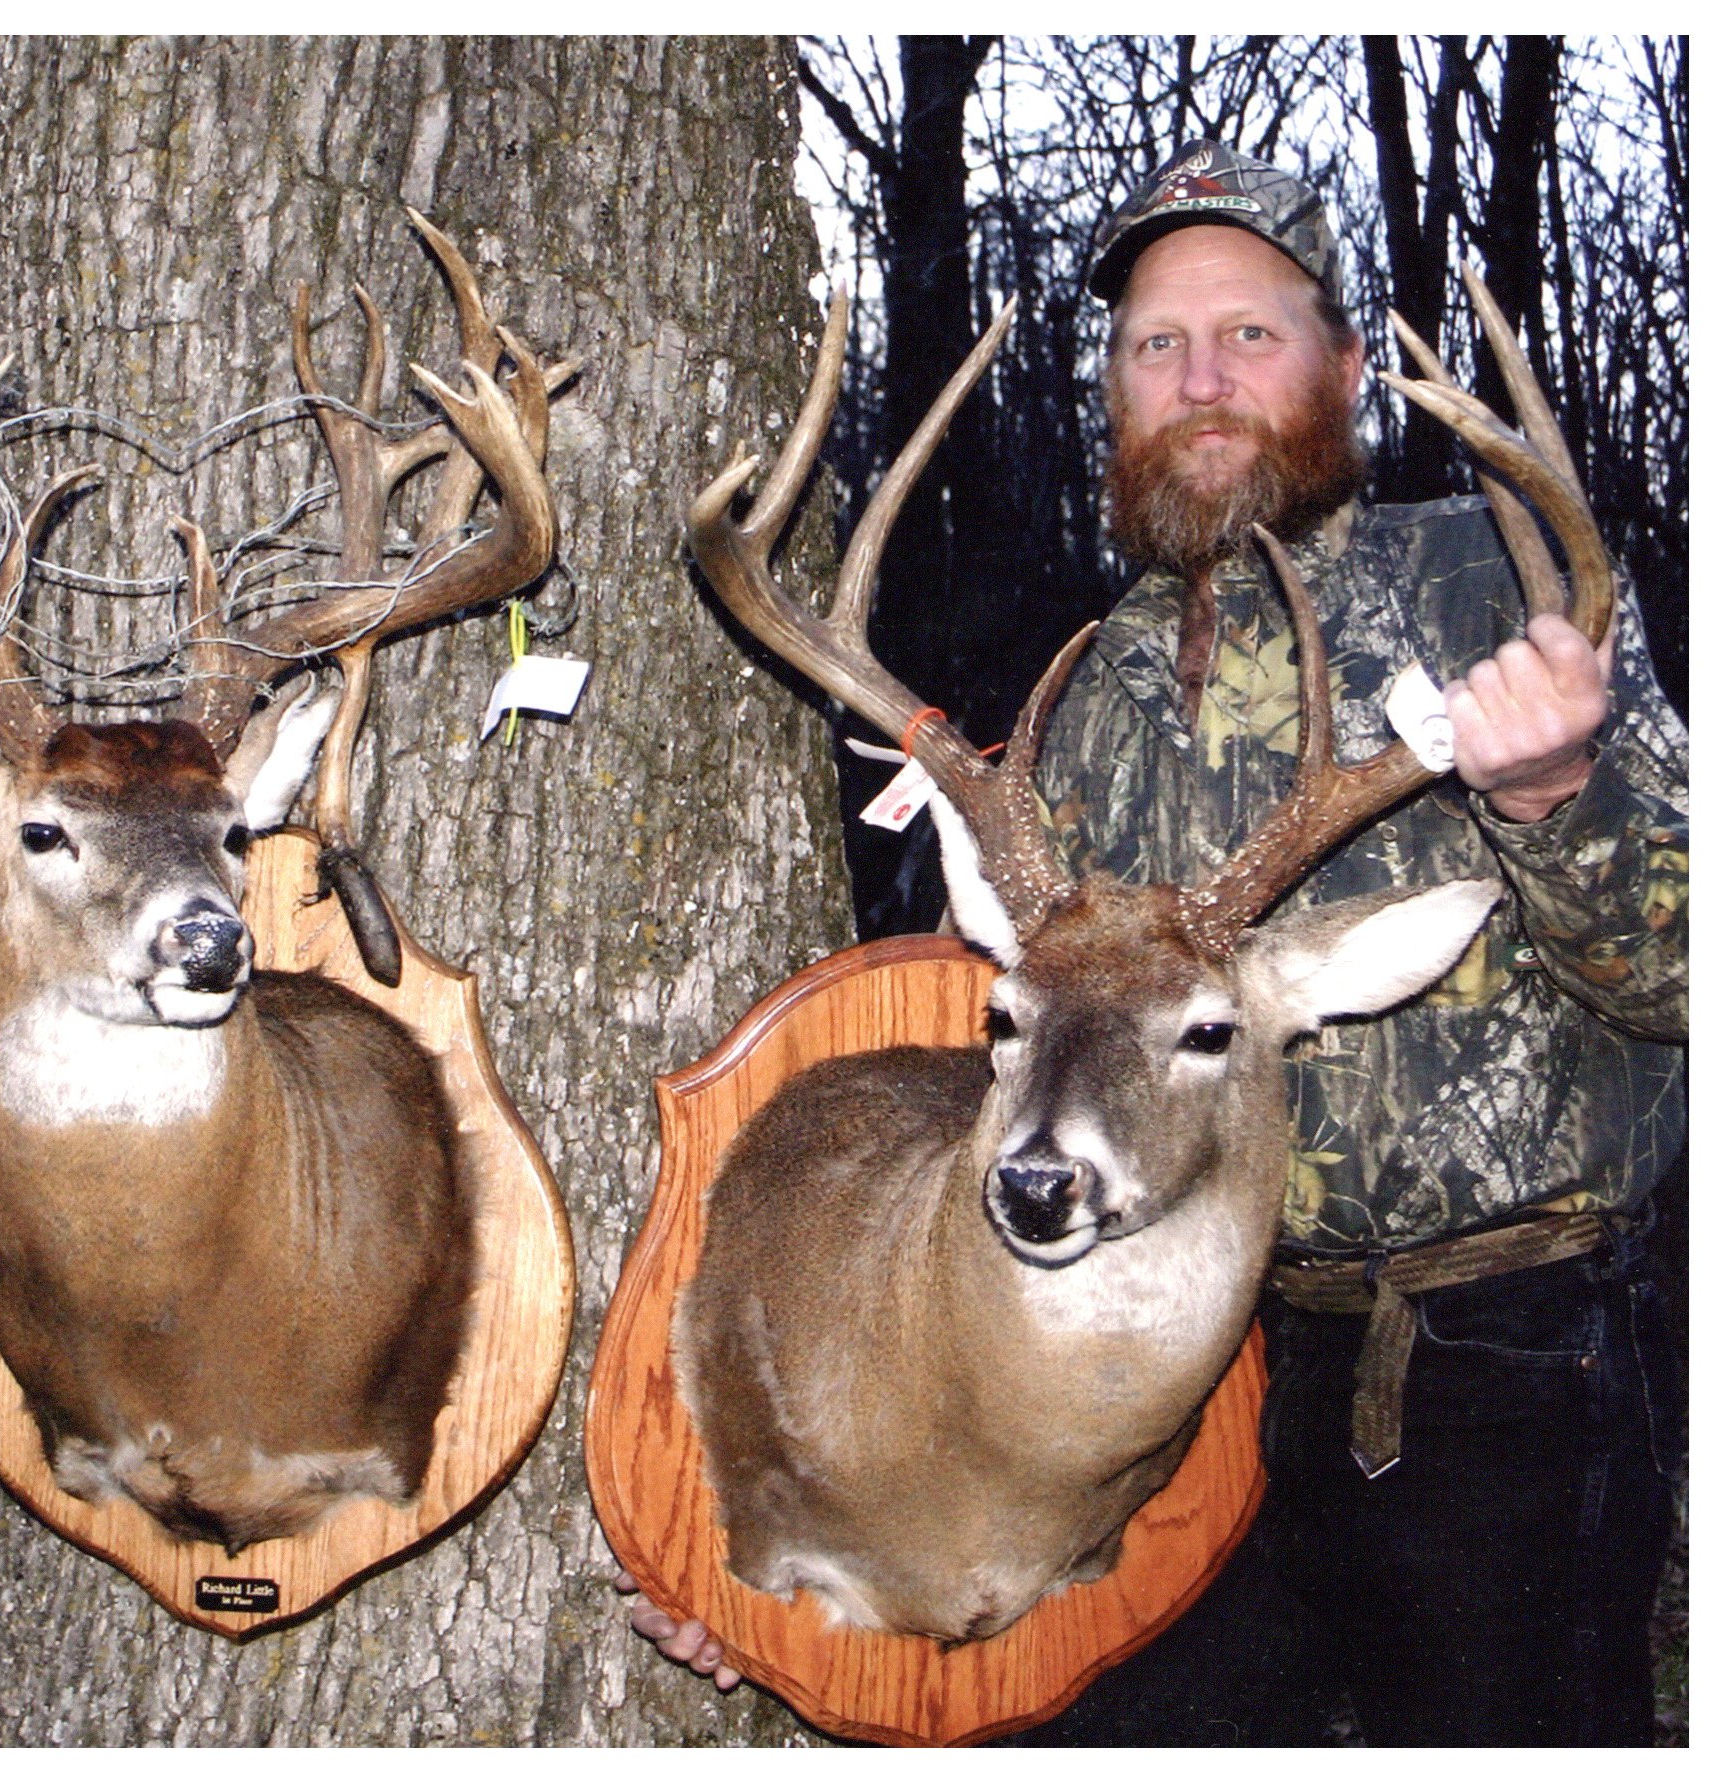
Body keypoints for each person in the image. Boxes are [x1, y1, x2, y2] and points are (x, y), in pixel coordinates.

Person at [624, 140, 1686, 1744]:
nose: (1200, 380)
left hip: (1501, 1352)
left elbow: (1681, 981)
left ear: (1345, 365)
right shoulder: (1082, 690)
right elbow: (978, 1074)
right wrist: (772, 1545)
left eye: (1249, 333)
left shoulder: (1496, 590)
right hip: (1180, 1368)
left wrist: (1554, 794)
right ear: (1112, 392)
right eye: (1154, 344)